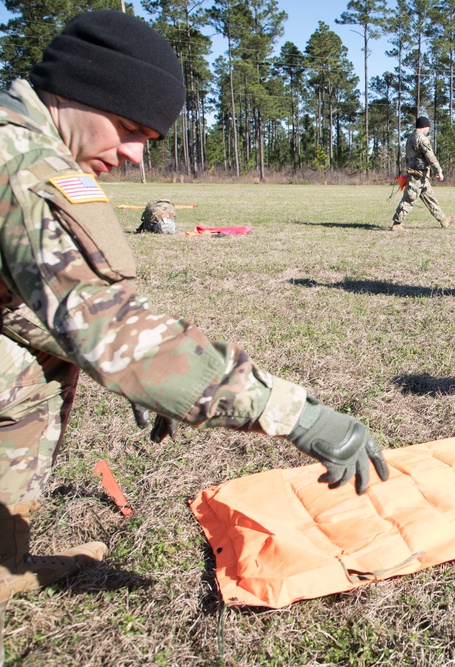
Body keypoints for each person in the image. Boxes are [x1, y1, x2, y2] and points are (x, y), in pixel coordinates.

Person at [0, 10, 389, 603]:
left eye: (148, 140)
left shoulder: (26, 140)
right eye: (128, 127)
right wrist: (297, 416)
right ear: (76, 91)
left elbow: (32, 298)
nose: (133, 155)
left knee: (31, 368)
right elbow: (107, 326)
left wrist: (137, 377)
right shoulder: (27, 166)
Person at [391, 116, 455, 232]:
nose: (428, 130)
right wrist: (439, 171)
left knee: (430, 198)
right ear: (425, 126)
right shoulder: (422, 139)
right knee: (409, 198)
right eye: (428, 128)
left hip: (418, 174)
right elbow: (430, 156)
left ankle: (443, 220)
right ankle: (397, 223)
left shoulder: (410, 137)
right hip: (418, 175)